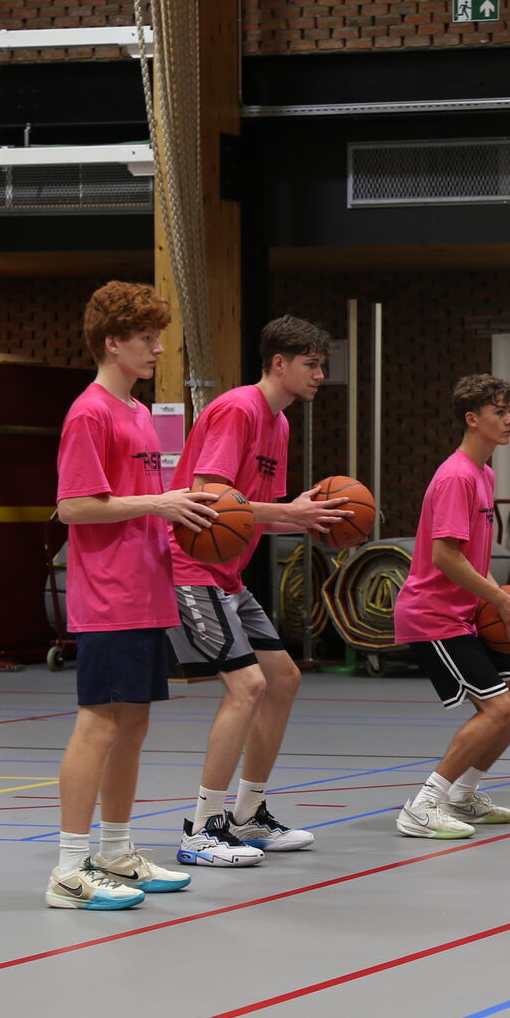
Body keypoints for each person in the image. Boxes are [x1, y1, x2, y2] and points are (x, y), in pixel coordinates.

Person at [47, 281, 217, 909]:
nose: (158, 349)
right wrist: (158, 501)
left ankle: (115, 851)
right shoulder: (88, 412)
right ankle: (68, 868)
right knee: (98, 724)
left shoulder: (140, 413)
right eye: (147, 339)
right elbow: (73, 507)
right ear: (112, 343)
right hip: (110, 593)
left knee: (135, 724)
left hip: (149, 590)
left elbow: (159, 504)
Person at [168, 315, 351, 867]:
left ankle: (248, 814)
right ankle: (201, 828)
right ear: (279, 363)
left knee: (283, 678)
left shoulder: (280, 424)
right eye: (311, 364)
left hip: (229, 574)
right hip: (189, 568)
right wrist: (290, 511)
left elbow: (253, 518)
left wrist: (306, 520)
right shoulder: (238, 408)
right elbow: (211, 501)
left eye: (323, 364)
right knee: (246, 686)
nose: (321, 375)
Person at [390, 375, 510, 839]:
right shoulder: (456, 476)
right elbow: (444, 557)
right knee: (495, 710)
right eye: (500, 411)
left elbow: (472, 557)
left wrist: (506, 600)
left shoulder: (484, 473)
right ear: (472, 419)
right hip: (432, 614)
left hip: (464, 613)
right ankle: (423, 806)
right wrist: (499, 599)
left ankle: (463, 794)